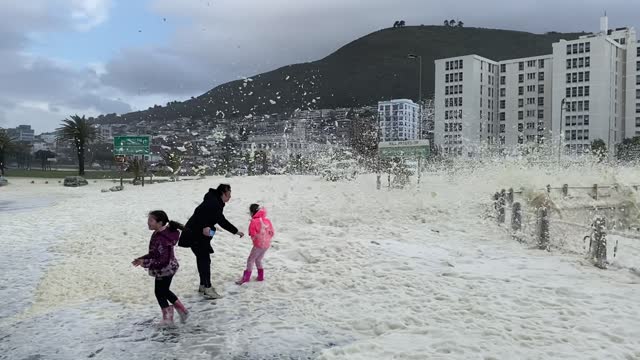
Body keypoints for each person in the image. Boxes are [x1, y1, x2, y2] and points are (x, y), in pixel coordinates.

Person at [179, 184, 244, 299]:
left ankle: (203, 285)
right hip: (195, 235)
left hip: (197, 235)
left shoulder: (216, 202)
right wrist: (205, 226)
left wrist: (236, 231)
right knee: (205, 260)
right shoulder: (213, 202)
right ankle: (208, 288)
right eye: (229, 194)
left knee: (202, 259)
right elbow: (198, 211)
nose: (230, 196)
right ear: (223, 193)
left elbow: (221, 221)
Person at [132, 210, 189, 326]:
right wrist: (141, 259)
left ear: (160, 222)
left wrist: (145, 262)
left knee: (160, 292)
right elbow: (154, 253)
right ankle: (182, 311)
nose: (148, 223)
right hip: (166, 267)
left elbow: (162, 260)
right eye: (148, 220)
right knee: (164, 291)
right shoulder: (158, 233)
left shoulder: (162, 238)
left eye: (151, 220)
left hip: (166, 269)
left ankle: (168, 318)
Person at [237, 204, 274, 285]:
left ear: (253, 212)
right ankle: (260, 277)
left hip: (258, 244)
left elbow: (251, 233)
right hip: (266, 245)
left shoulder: (254, 221)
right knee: (258, 259)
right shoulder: (267, 220)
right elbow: (272, 232)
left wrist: (255, 238)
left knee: (250, 260)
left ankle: (246, 278)